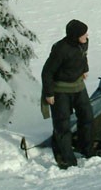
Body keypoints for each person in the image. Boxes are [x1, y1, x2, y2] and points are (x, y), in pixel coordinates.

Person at [41, 19, 96, 169]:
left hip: (78, 86)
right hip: (60, 90)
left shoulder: (84, 42)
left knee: (87, 117)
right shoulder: (60, 49)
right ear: (74, 36)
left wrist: (85, 69)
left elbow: (83, 55)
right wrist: (49, 93)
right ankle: (66, 158)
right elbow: (47, 72)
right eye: (83, 34)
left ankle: (86, 149)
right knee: (62, 124)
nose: (87, 35)